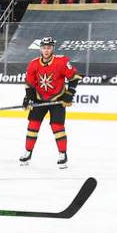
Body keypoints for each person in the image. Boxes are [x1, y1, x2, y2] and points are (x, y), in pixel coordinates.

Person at [21, 37, 80, 167]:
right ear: (40, 49)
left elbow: (74, 77)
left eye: (49, 48)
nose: (46, 50)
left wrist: (69, 94)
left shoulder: (61, 61)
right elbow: (30, 83)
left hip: (57, 99)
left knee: (57, 127)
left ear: (52, 48)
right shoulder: (34, 63)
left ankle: (62, 154)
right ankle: (27, 152)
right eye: (44, 48)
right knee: (33, 126)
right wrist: (28, 98)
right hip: (39, 98)